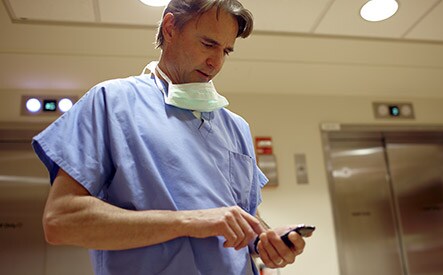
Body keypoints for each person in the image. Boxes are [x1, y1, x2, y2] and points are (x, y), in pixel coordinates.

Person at [32, 0, 310, 274]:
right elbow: (61, 220)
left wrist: (266, 240)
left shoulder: (236, 127)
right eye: (208, 44)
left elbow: (245, 219)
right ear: (170, 27)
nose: (216, 62)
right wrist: (188, 221)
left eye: (226, 51)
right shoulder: (112, 102)